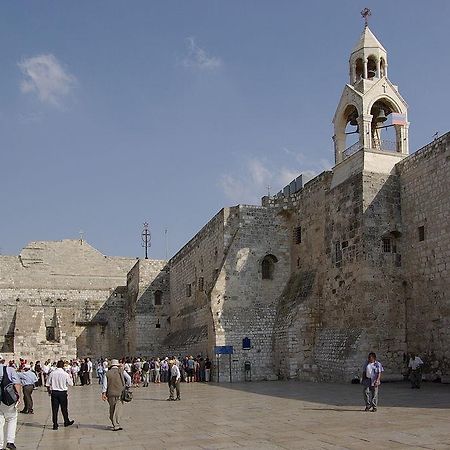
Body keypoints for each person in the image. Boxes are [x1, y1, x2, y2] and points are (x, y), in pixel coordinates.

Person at [101, 359, 131, 431]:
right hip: (120, 393)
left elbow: (105, 385)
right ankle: (116, 424)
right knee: (118, 409)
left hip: (110, 394)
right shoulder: (121, 371)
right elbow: (129, 378)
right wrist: (127, 386)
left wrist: (103, 393)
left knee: (112, 408)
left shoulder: (107, 373)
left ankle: (114, 423)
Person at [0, 354, 22, 450]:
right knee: (12, 418)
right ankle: (10, 442)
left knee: (0, 422)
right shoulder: (9, 370)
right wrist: (18, 397)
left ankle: (0, 445)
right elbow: (16, 383)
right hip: (7, 399)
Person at [46, 360, 75, 430]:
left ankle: (55, 424)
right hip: (62, 393)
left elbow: (47, 384)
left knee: (55, 409)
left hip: (54, 393)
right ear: (63, 366)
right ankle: (66, 421)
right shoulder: (65, 374)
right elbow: (71, 384)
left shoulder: (52, 373)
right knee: (64, 408)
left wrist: (49, 392)